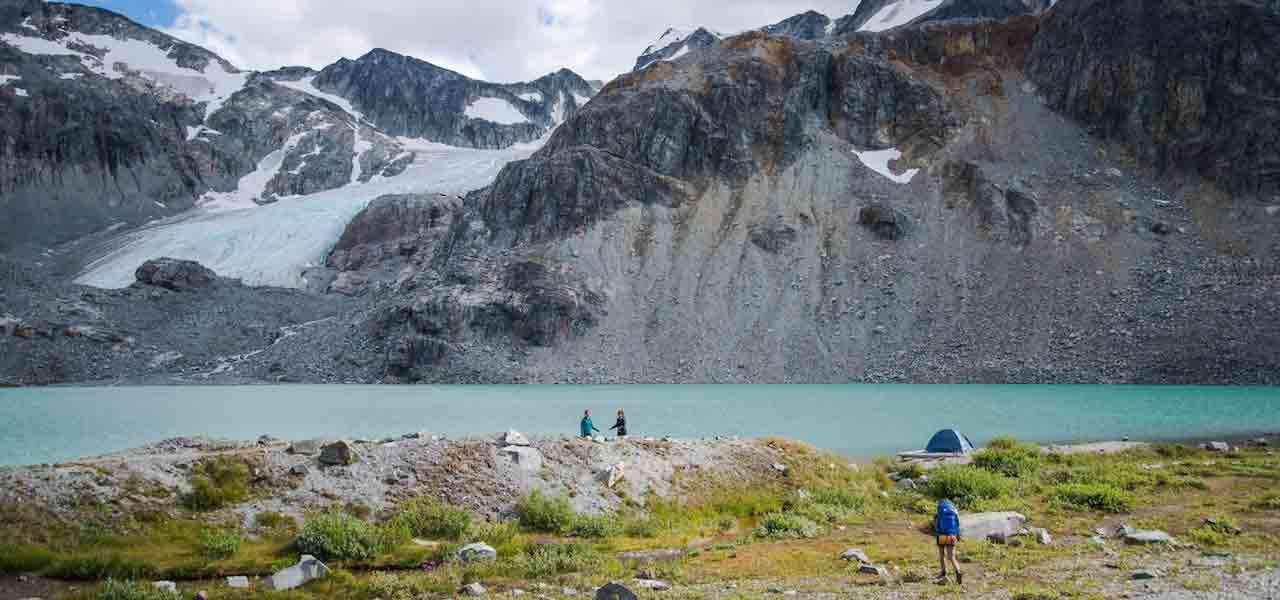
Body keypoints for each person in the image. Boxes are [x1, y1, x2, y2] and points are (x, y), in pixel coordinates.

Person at [934, 498, 963, 585]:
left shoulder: (939, 511)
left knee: (942, 554)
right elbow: (958, 524)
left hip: (942, 535)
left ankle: (943, 572)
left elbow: (936, 524)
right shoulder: (954, 511)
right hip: (952, 535)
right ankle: (958, 571)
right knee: (952, 557)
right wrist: (957, 534)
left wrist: (937, 533)